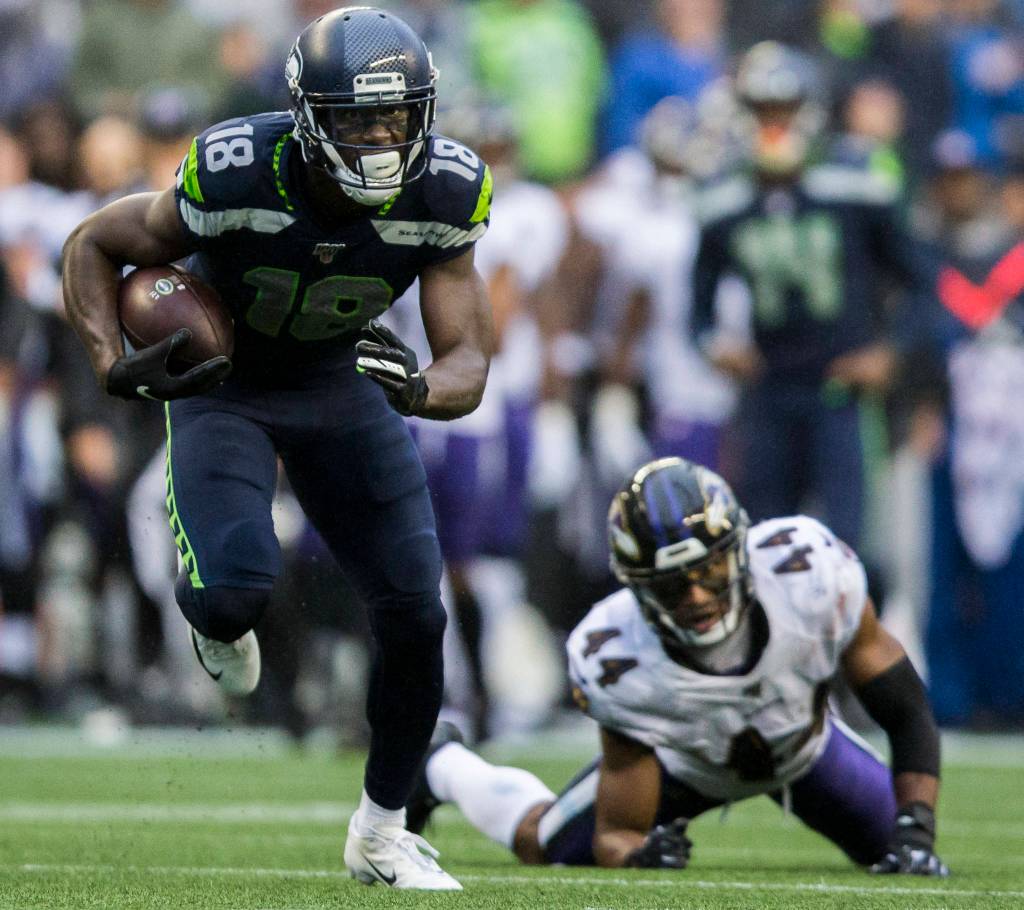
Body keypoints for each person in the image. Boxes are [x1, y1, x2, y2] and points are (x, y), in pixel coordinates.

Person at [61, 6, 493, 891]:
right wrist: (111, 359)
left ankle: (382, 828)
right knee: (231, 598)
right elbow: (95, 243)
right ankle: (209, 616)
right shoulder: (236, 170)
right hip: (231, 387)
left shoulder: (448, 189)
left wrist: (414, 390)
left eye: (396, 115)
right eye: (358, 118)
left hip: (343, 385)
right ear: (307, 115)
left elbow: (469, 361)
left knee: (417, 613)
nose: (381, 137)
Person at [407, 457, 949, 877]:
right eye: (670, 585)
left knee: (899, 849)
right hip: (680, 762)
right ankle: (444, 764)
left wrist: (917, 832)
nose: (695, 595)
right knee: (544, 842)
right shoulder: (616, 654)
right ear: (638, 589)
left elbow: (906, 709)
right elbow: (617, 832)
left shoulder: (808, 572)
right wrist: (636, 855)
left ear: (737, 549)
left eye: (707, 570)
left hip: (804, 750)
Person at [692, 41, 932, 558]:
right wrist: (716, 344)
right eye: (761, 109)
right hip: (767, 390)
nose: (773, 122)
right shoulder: (726, 197)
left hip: (840, 390)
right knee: (764, 546)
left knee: (851, 549)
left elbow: (920, 278)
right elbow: (697, 304)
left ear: (811, 111)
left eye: (784, 108)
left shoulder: (854, 180)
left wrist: (889, 351)